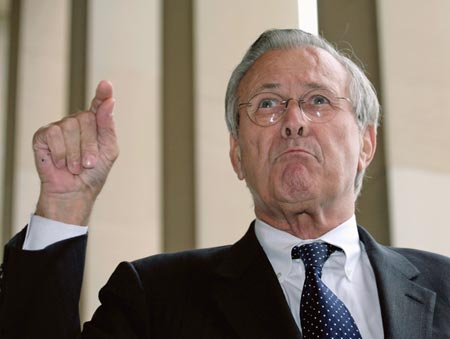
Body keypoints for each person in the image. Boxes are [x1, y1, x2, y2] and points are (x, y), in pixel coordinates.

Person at [0, 29, 449, 339]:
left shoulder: (444, 285)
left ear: (366, 143)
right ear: (237, 154)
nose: (293, 121)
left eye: (318, 100)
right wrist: (64, 207)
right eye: (268, 104)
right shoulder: (155, 298)